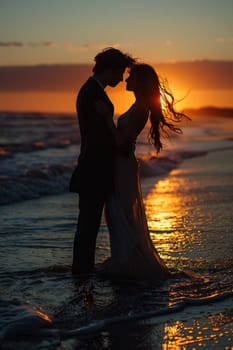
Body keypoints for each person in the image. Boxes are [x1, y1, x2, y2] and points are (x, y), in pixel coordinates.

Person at [96, 63, 189, 280]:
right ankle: (126, 259)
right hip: (122, 164)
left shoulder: (141, 109)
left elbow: (120, 140)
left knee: (122, 213)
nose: (126, 81)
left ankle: (129, 263)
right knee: (117, 212)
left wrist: (105, 117)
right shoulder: (138, 105)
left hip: (124, 166)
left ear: (140, 82)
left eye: (131, 78)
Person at [70, 47, 134, 275]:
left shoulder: (93, 91)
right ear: (110, 69)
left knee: (89, 224)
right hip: (93, 168)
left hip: (95, 167)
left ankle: (82, 271)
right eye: (120, 73)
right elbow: (97, 137)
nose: (121, 78)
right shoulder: (91, 93)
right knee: (88, 225)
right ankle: (81, 273)